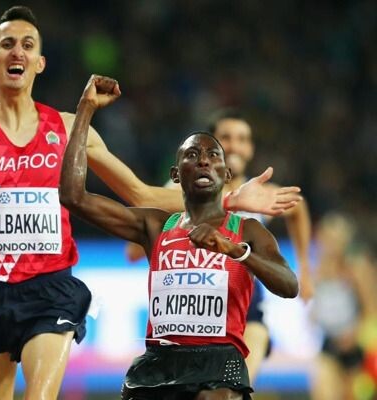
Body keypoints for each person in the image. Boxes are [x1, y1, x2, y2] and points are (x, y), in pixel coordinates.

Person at [0, 6, 302, 400]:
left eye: (27, 44)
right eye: (6, 44)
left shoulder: (65, 128)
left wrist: (229, 199)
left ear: (39, 63)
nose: (16, 51)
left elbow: (140, 195)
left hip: (50, 290)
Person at [59, 75, 299, 400]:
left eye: (213, 156)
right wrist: (86, 109)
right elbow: (73, 197)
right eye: (192, 155)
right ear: (175, 175)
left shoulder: (247, 230)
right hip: (159, 363)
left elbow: (289, 285)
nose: (203, 160)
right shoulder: (155, 226)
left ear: (226, 174)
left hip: (219, 363)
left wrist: (235, 251)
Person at [125, 109, 313, 382]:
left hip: (245, 306)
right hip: (191, 306)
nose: (235, 145)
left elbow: (298, 208)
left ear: (251, 148)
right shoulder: (181, 189)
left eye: (242, 139)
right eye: (226, 137)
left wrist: (305, 268)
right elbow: (133, 250)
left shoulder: (259, 192)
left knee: (238, 383)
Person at [310, 213, 375, 400]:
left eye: (334, 240)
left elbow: (370, 307)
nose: (329, 244)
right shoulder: (318, 269)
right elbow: (317, 306)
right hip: (330, 342)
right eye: (326, 239)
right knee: (323, 391)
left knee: (353, 394)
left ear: (344, 241)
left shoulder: (356, 267)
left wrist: (355, 334)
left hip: (357, 345)